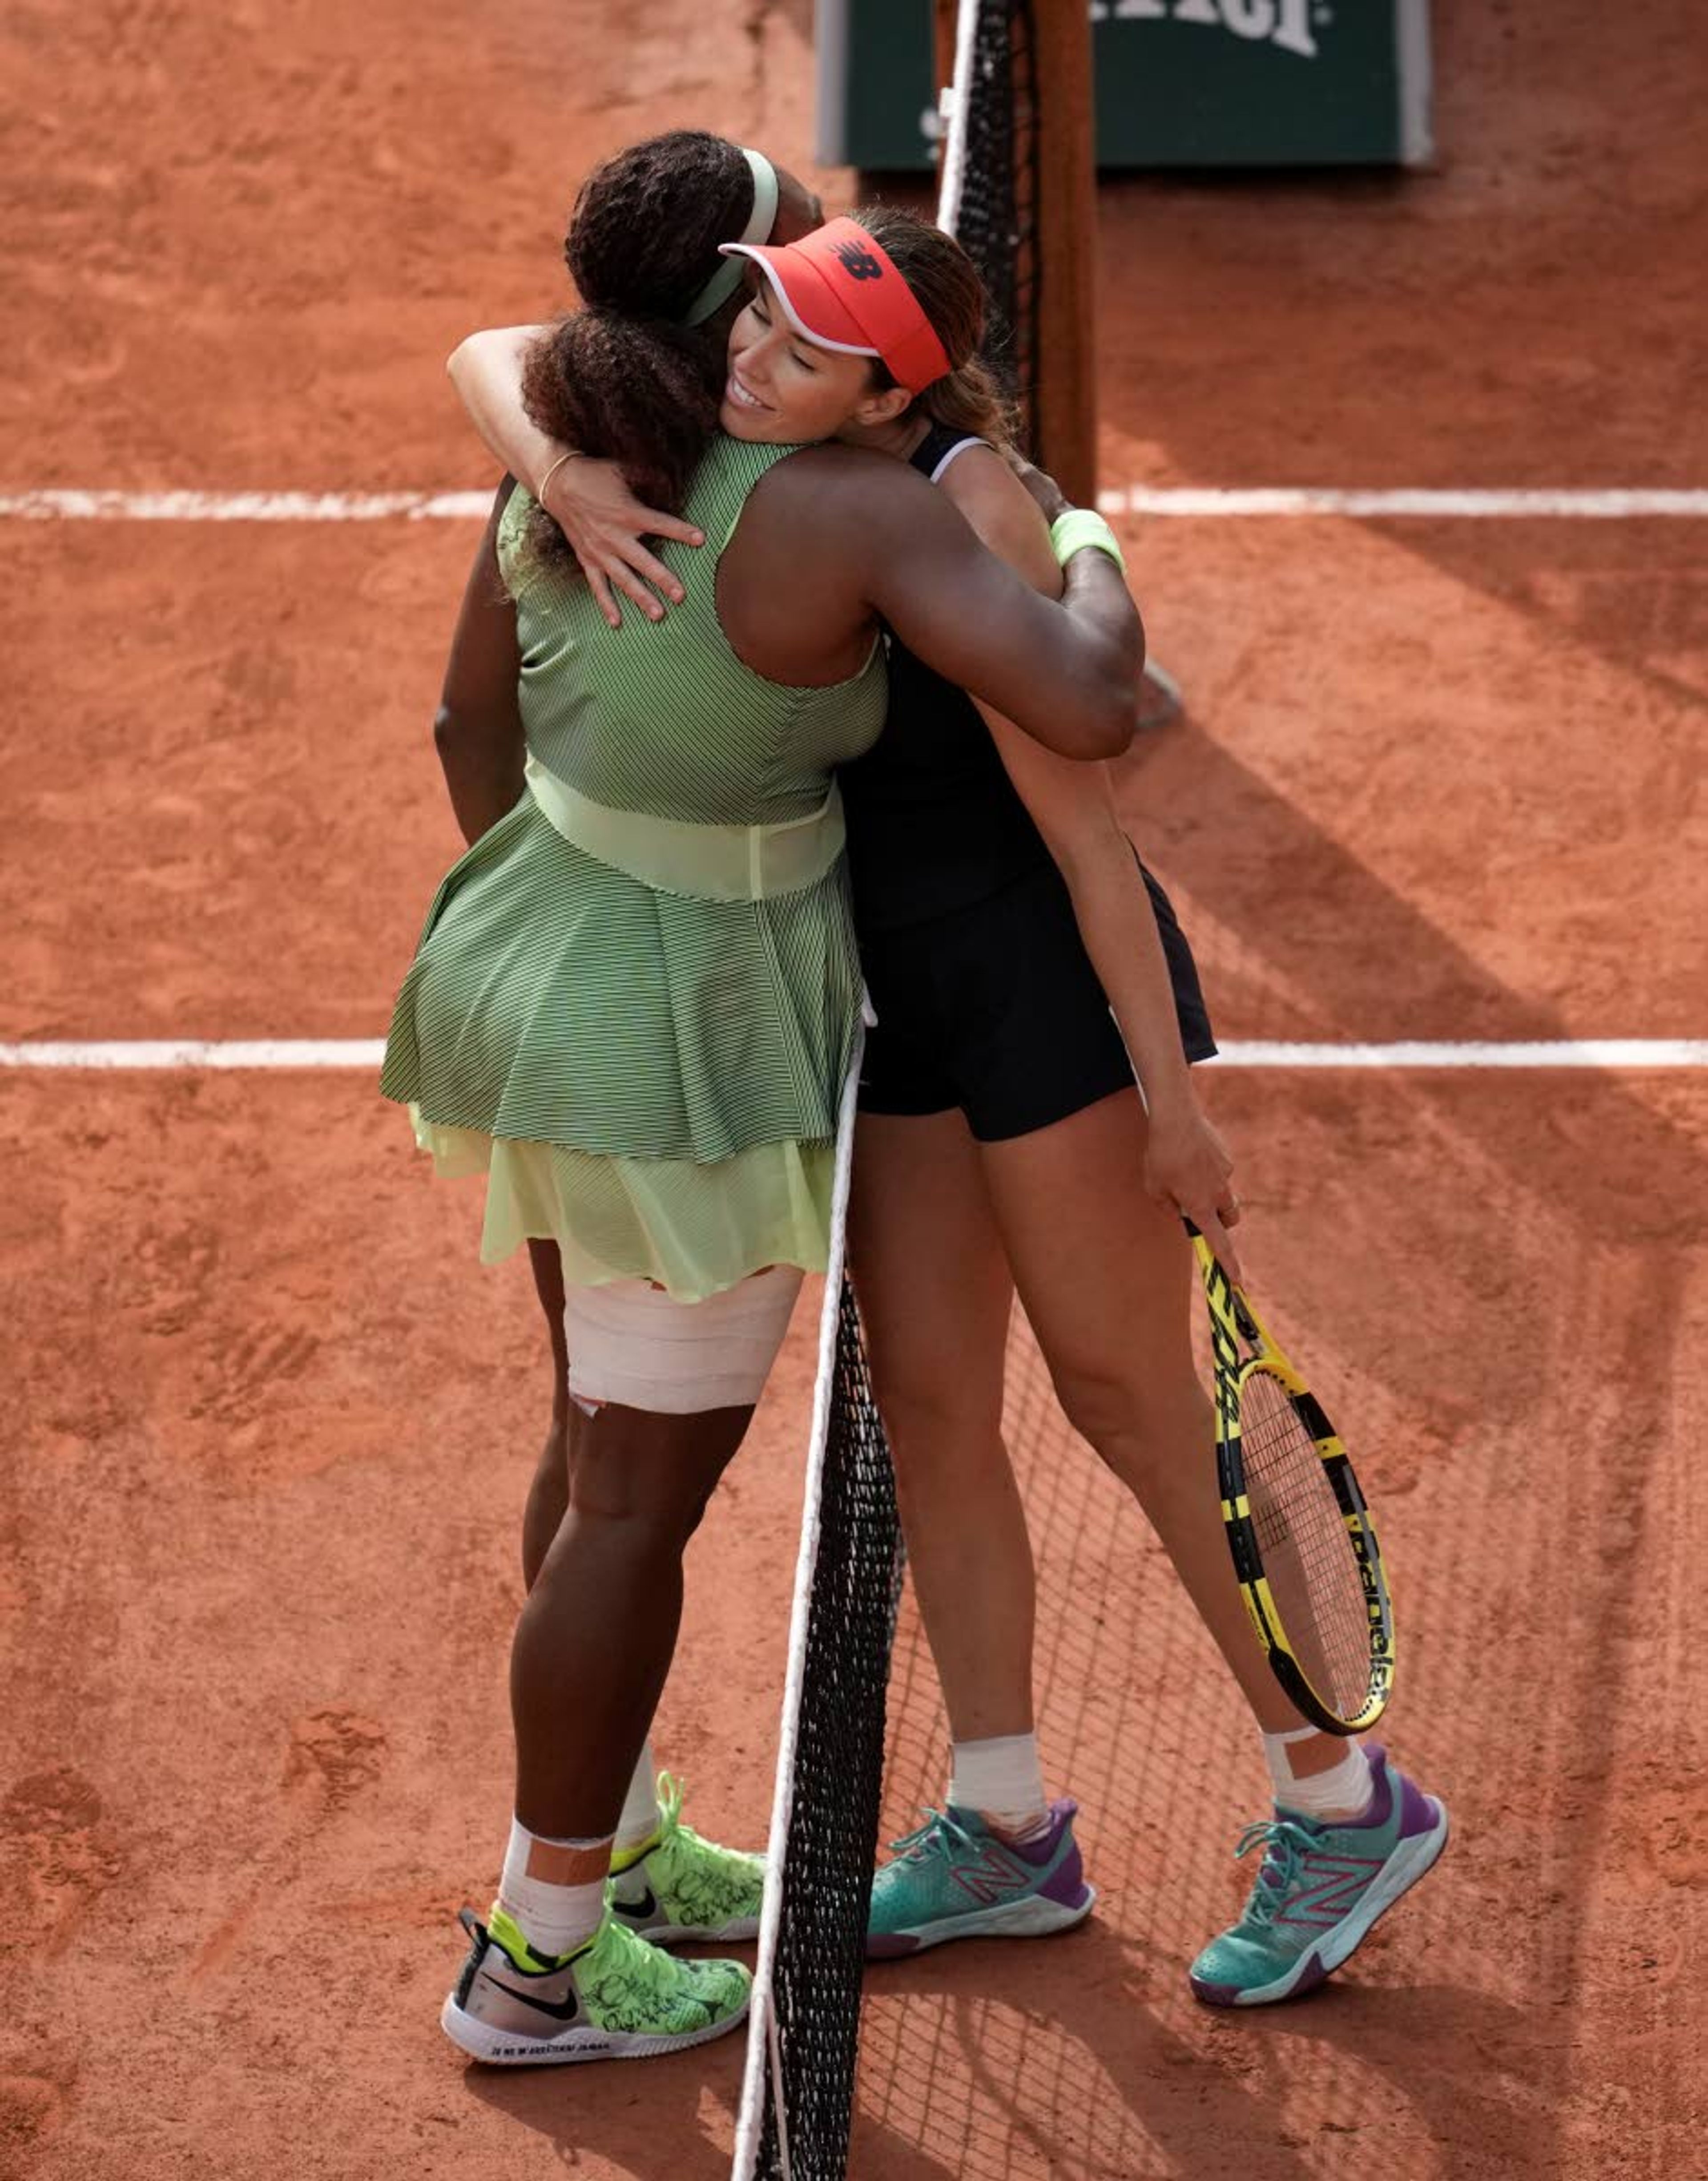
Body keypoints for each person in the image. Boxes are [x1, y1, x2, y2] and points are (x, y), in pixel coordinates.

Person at [455, 194, 1449, 2012]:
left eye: (802, 347)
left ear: (883, 390)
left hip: (1041, 1009)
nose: (752, 357)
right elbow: (512, 354)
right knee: (929, 1412)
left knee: (1142, 1411)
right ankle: (1005, 1821)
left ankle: (1343, 1791)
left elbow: (1090, 820)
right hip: (890, 1006)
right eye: (754, 321)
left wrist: (1176, 1094)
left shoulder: (970, 506)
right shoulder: (790, 459)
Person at [384, 145, 1144, 2068]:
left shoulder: (571, 429)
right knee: (638, 1498)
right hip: (674, 1043)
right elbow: (1092, 706)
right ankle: (535, 1962)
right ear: (732, 281)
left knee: (594, 1435)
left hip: (515, 964)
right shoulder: (854, 512)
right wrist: (1086, 537)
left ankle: (620, 1846)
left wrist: (577, 920)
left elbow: (468, 724)